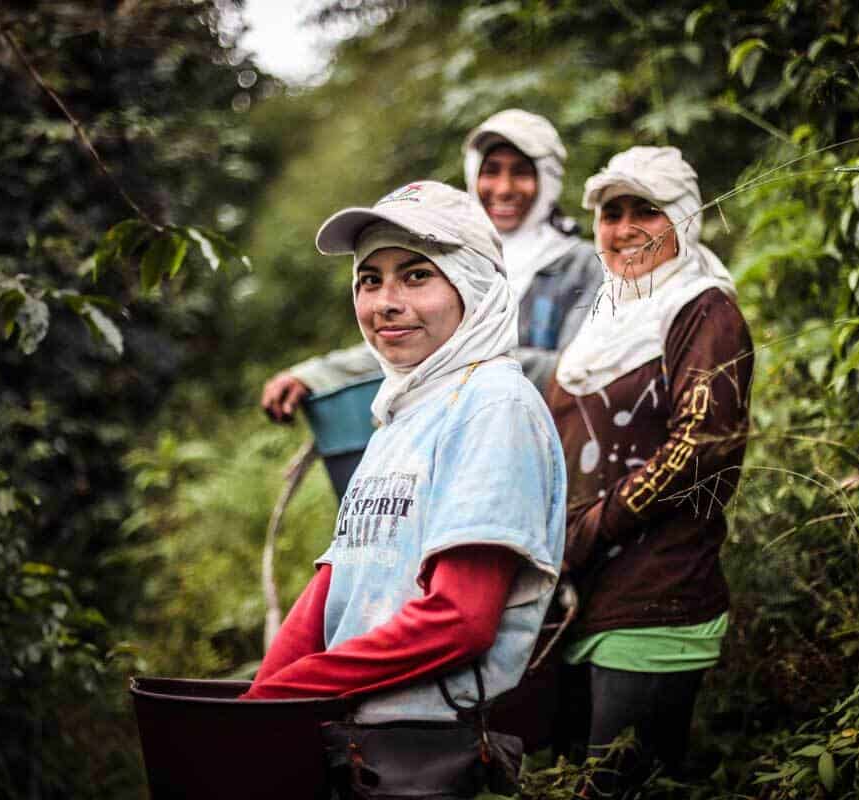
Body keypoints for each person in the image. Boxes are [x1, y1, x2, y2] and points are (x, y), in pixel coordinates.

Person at [243, 181, 567, 799]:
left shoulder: (491, 405)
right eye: (370, 280)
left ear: (470, 284)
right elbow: (339, 581)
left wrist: (302, 688)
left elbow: (461, 618)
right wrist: (258, 705)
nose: (385, 303)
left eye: (416, 276)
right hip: (356, 736)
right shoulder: (403, 411)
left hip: (423, 747)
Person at [544, 147, 754, 794]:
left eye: (647, 210)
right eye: (612, 212)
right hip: (582, 601)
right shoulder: (605, 319)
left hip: (657, 598)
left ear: (684, 219)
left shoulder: (702, 309)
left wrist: (590, 529)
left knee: (615, 788)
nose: (625, 227)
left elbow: (703, 444)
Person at [260, 109, 599, 421]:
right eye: (491, 171)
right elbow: (409, 337)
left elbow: (579, 371)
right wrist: (315, 375)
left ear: (549, 179)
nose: (504, 188)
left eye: (521, 173)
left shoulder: (581, 266)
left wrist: (458, 355)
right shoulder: (455, 251)